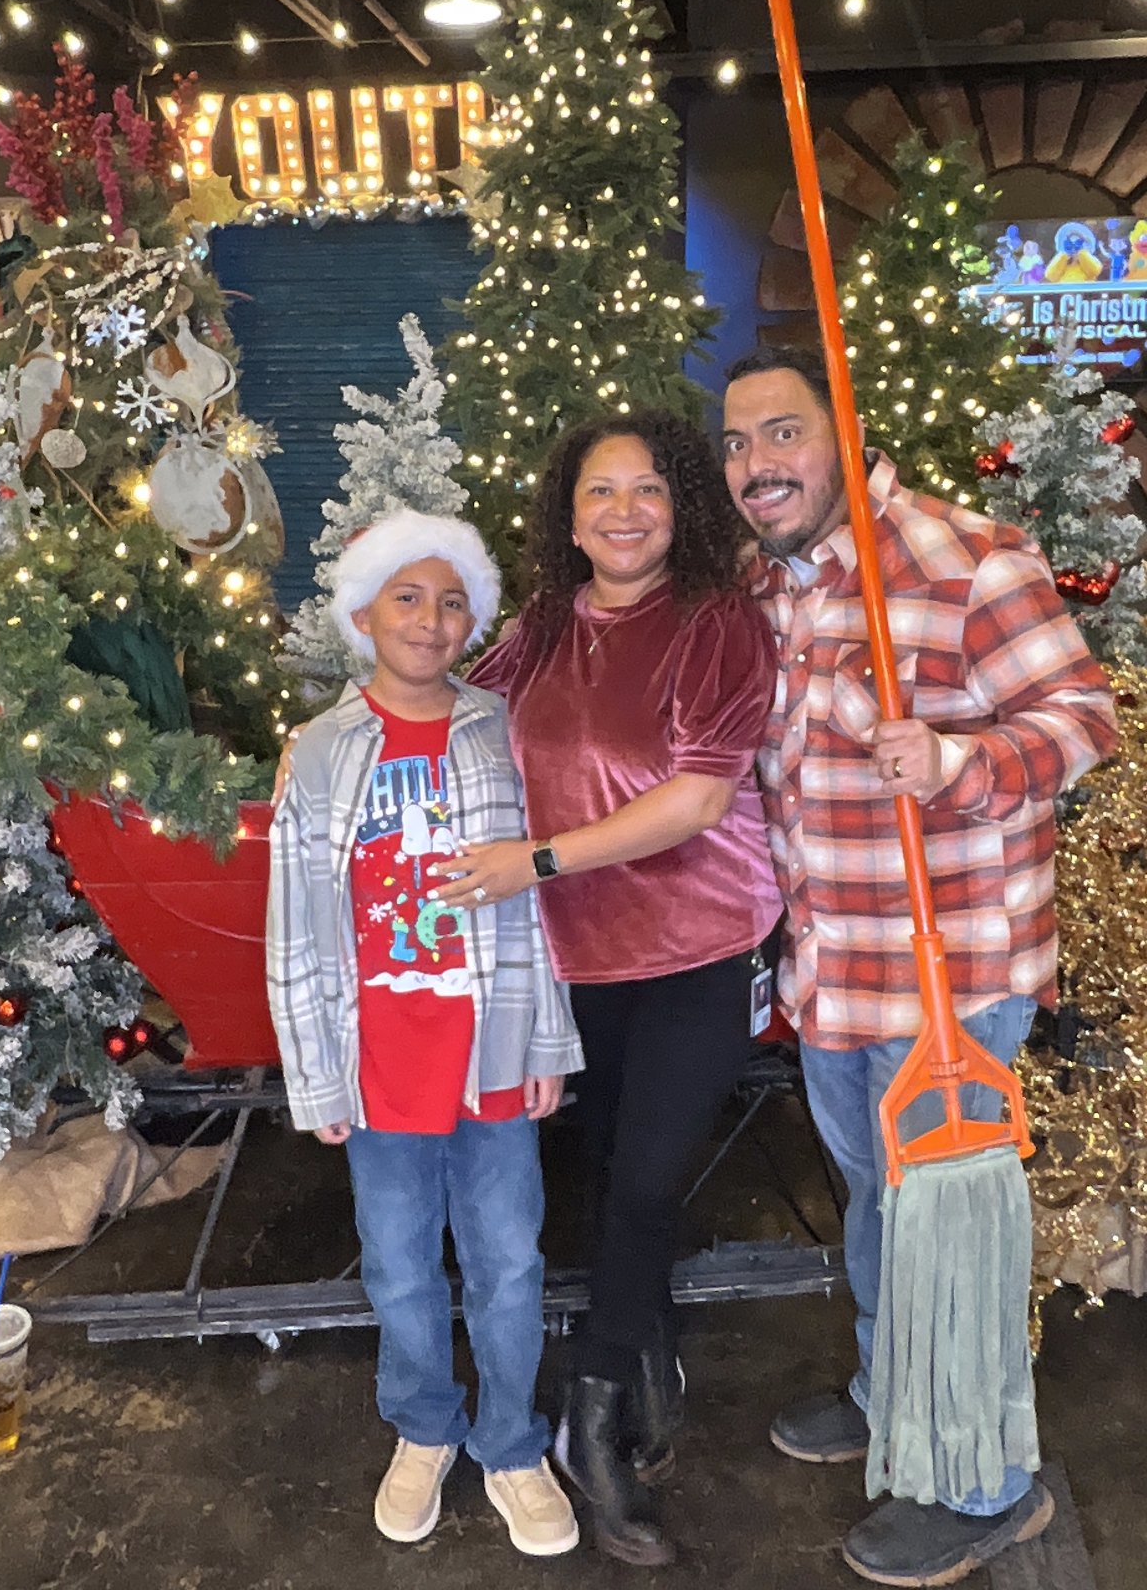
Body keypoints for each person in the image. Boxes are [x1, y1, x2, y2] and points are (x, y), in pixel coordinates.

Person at [721, 345, 1118, 1588]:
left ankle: (983, 1484)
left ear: (845, 438)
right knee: (876, 1206)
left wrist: (957, 763)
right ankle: (894, 1391)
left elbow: (1081, 720)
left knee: (951, 1227)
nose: (754, 465)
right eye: (734, 444)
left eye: (781, 433)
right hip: (832, 969)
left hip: (950, 975)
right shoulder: (764, 584)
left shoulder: (961, 559)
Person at [433, 410, 783, 1567]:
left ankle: (586, 1422)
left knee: (642, 1181)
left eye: (647, 489)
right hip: (574, 960)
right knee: (612, 1171)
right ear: (569, 517)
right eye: (599, 491)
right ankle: (649, 1348)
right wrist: (332, 735)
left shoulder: (716, 623)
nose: (623, 511)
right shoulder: (541, 626)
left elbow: (696, 799)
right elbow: (449, 714)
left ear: (680, 506)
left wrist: (531, 861)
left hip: (694, 947)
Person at [266, 508, 584, 1560]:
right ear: (363, 613)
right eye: (406, 596)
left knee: (508, 1262)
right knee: (399, 1265)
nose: (429, 619)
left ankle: (511, 1441)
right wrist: (316, 1076)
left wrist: (547, 1042)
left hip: (491, 1048)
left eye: (452, 602)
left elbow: (535, 903)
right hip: (379, 1065)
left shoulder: (501, 730)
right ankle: (423, 1425)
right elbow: (296, 923)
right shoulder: (322, 751)